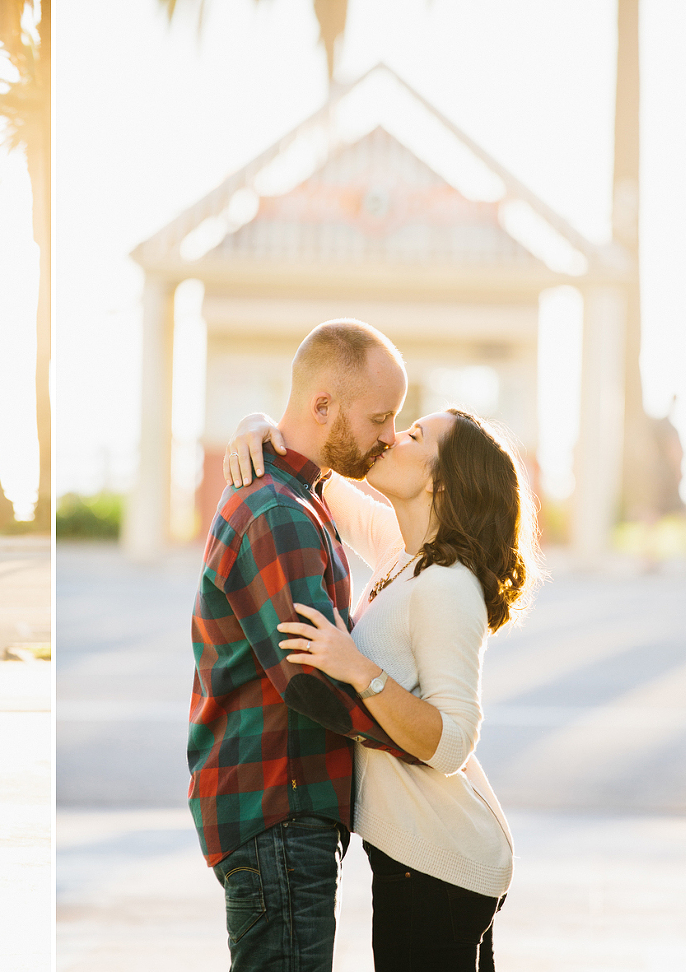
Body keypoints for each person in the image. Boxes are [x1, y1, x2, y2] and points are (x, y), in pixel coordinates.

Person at [224, 403, 540, 970]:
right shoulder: (404, 556)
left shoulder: (447, 587)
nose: (394, 436)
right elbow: (315, 469)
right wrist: (257, 425)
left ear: (442, 481)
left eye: (415, 434)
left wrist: (357, 668)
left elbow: (452, 742)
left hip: (441, 861)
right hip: (421, 858)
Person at [190, 319, 423, 972]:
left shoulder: (299, 496)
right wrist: (419, 737)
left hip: (277, 810)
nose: (388, 435)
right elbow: (308, 678)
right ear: (323, 406)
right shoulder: (280, 513)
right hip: (279, 810)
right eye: (380, 416)